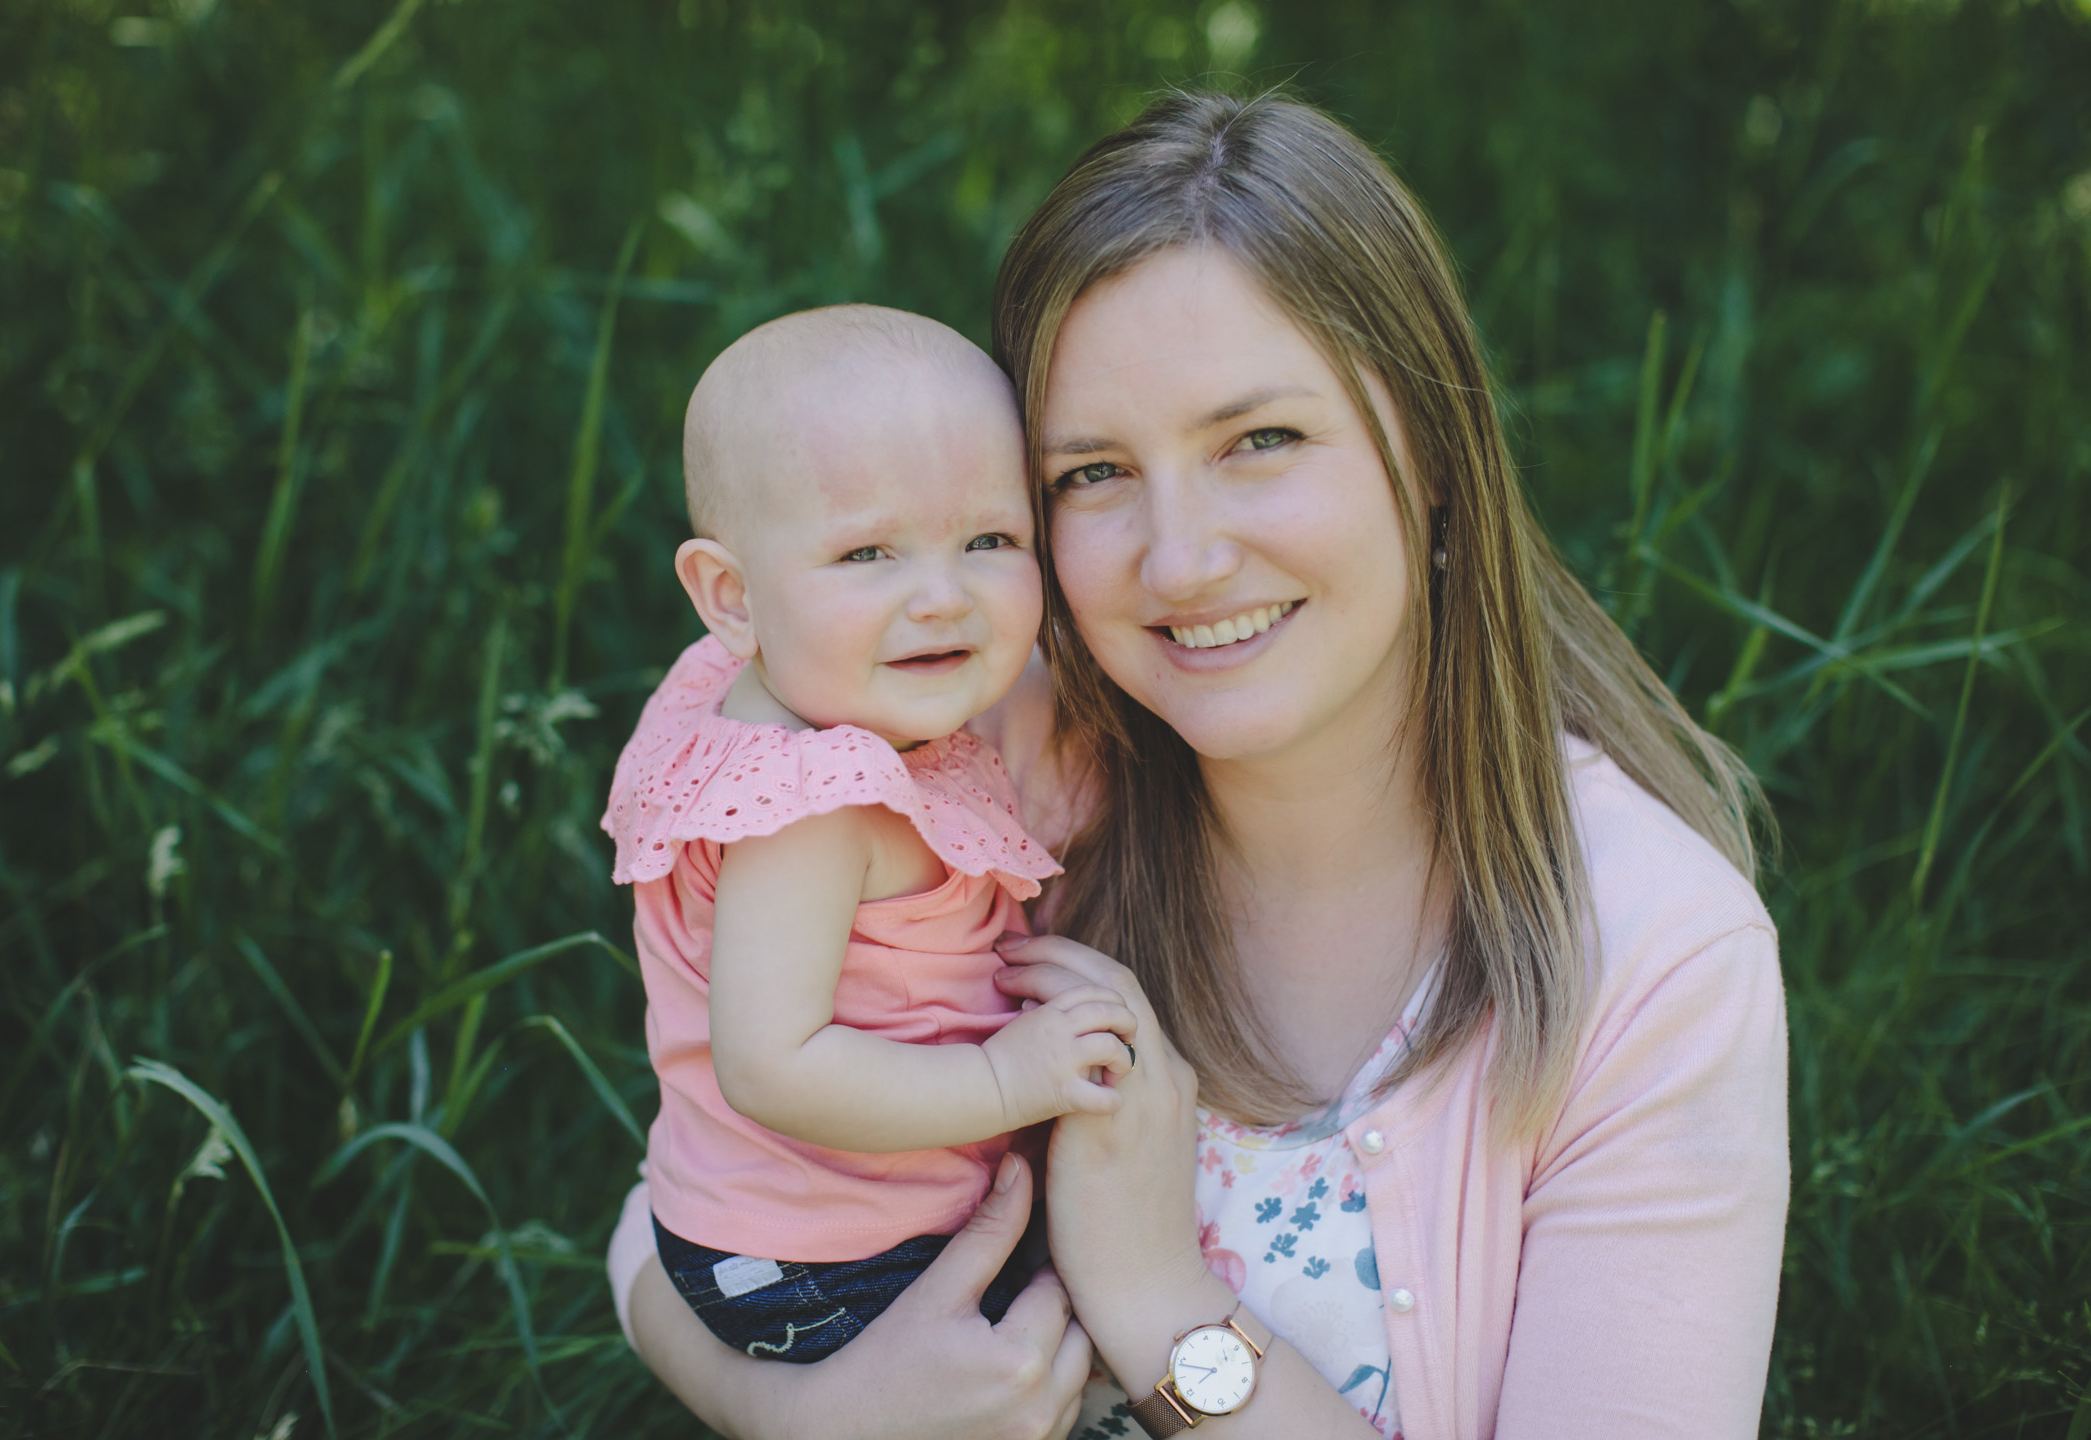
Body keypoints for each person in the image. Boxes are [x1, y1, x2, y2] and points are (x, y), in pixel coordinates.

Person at [608, 90, 1788, 1439]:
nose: (1182, 560)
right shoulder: (974, 769)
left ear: (1434, 449)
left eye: (1260, 442)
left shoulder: (1652, 961)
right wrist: (791, 1412)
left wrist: (1159, 1302)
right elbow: (680, 1199)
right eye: (1095, 473)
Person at [601, 305, 1137, 1365]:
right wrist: (1005, 1083)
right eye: (867, 552)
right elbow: (772, 1064)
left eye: (989, 540)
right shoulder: (815, 806)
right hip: (826, 1257)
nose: (941, 598)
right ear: (730, 596)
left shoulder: (762, 684)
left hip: (821, 1220)